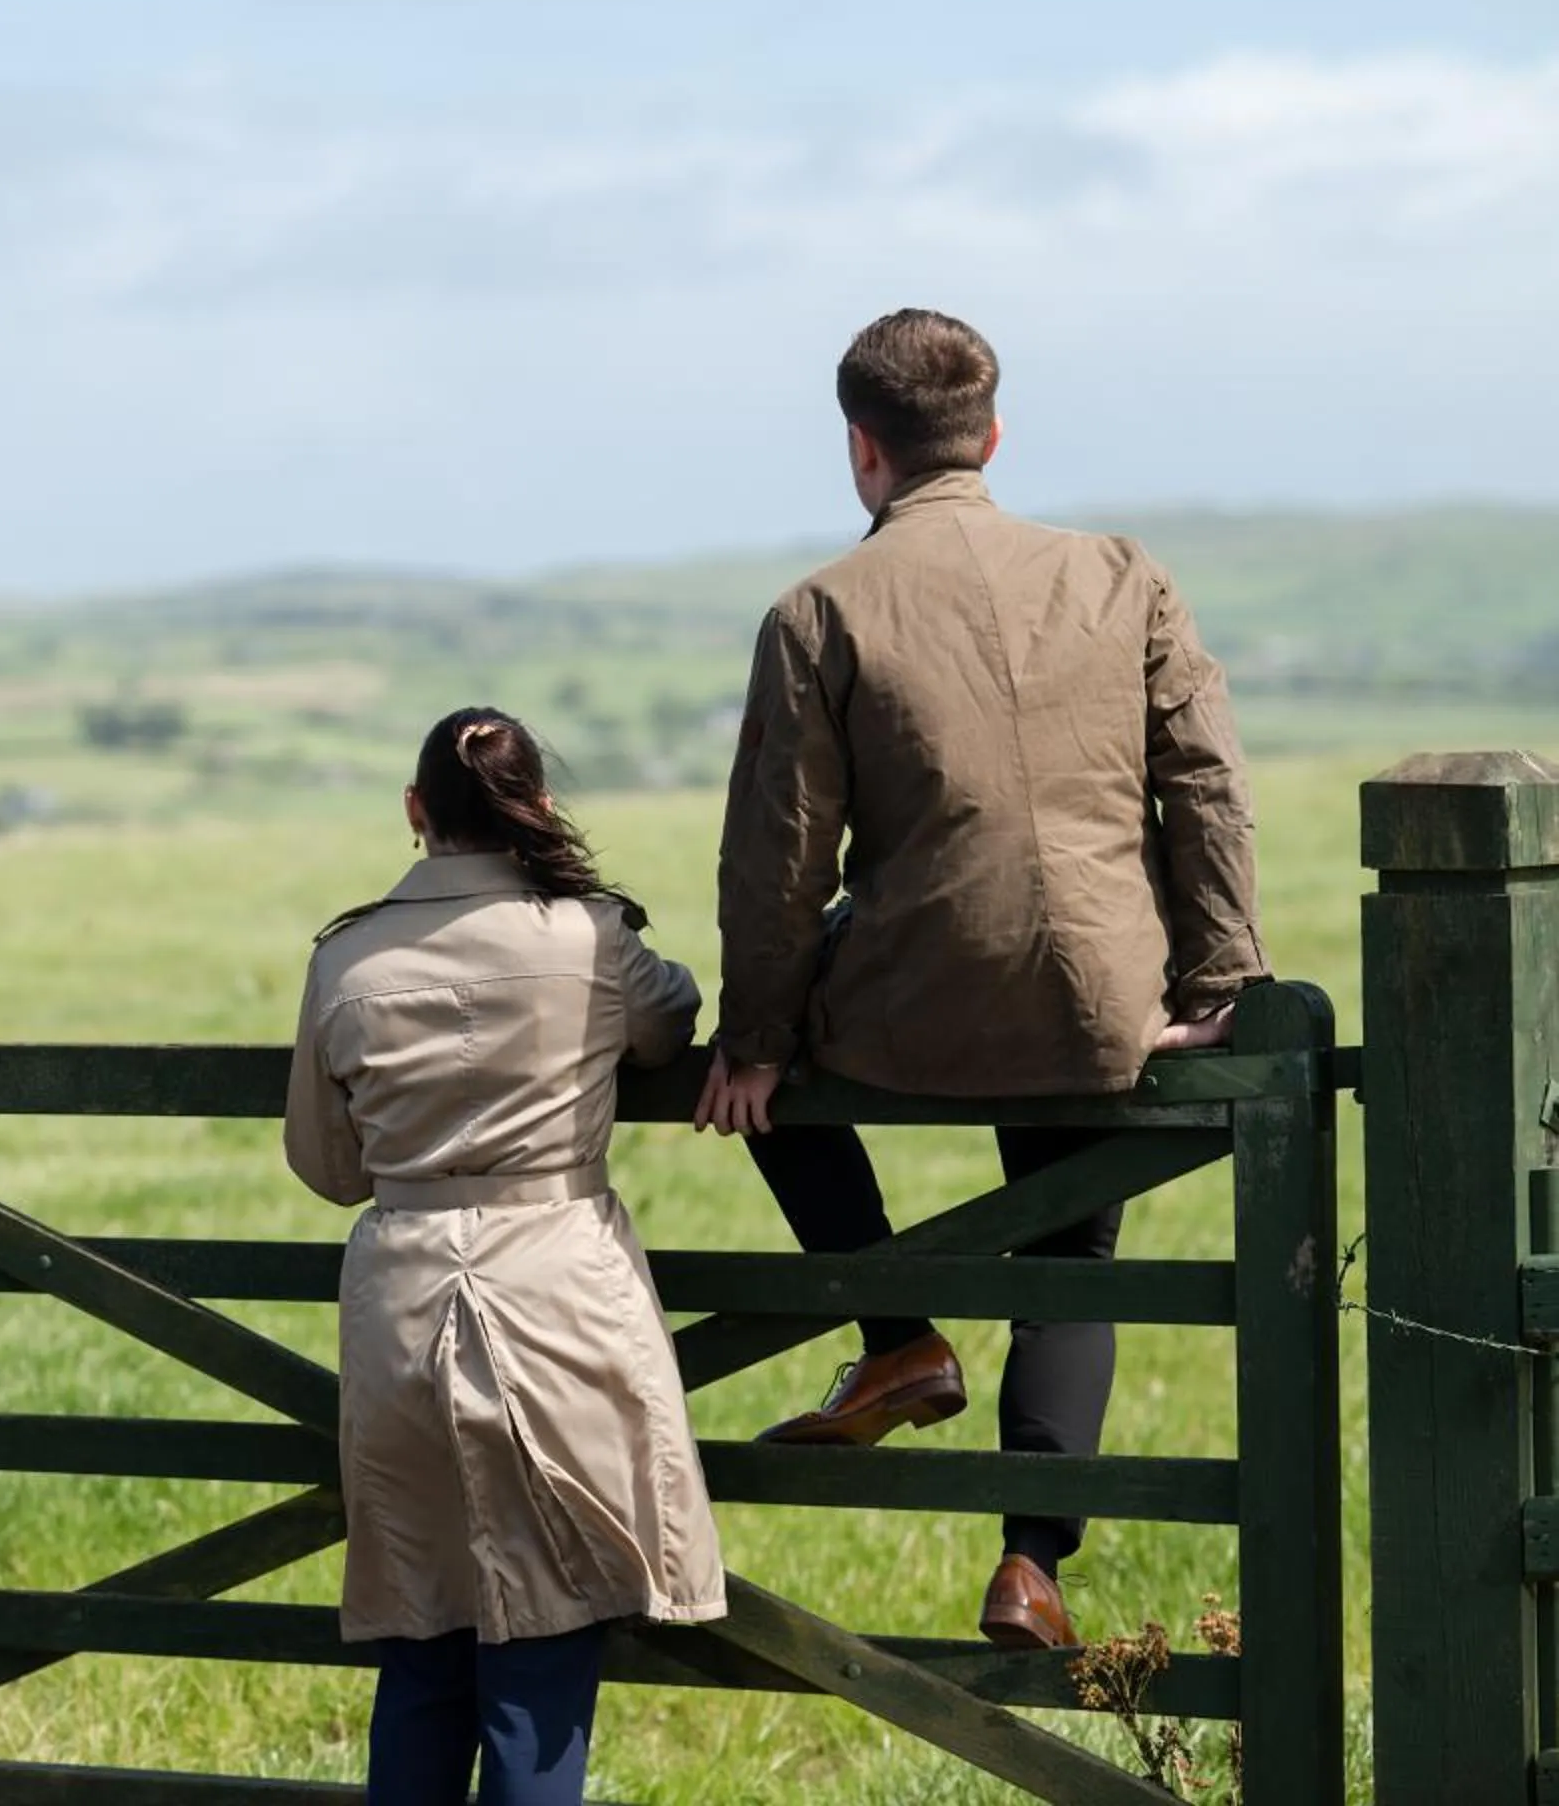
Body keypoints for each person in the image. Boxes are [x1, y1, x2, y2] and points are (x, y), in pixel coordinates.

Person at [692, 308, 1268, 1651]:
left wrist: (756, 1037)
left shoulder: (819, 610)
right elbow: (1206, 781)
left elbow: (782, 854)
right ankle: (1030, 1565)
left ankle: (901, 1335)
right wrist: (1220, 973)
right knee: (1070, 1257)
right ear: (992, 436)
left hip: (904, 997)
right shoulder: (1125, 574)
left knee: (761, 1090)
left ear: (862, 448)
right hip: (1105, 995)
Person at [286, 707, 724, 1806]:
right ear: (535, 806)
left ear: (416, 809)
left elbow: (327, 1165)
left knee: (422, 1639)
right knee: (541, 1647)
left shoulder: (344, 958)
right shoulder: (589, 938)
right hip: (559, 1299)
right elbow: (672, 1018)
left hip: (399, 1310)